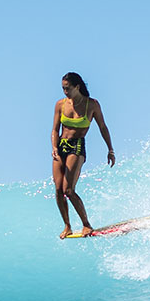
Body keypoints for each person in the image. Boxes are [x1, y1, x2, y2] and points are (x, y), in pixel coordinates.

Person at [51, 72, 115, 239]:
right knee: (58, 189)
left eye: (68, 88)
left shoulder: (91, 105)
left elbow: (103, 127)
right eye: (63, 89)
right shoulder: (60, 104)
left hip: (77, 146)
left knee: (68, 189)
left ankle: (86, 224)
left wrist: (110, 149)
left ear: (77, 87)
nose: (65, 92)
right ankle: (67, 226)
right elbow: (55, 129)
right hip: (61, 146)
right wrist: (54, 147)